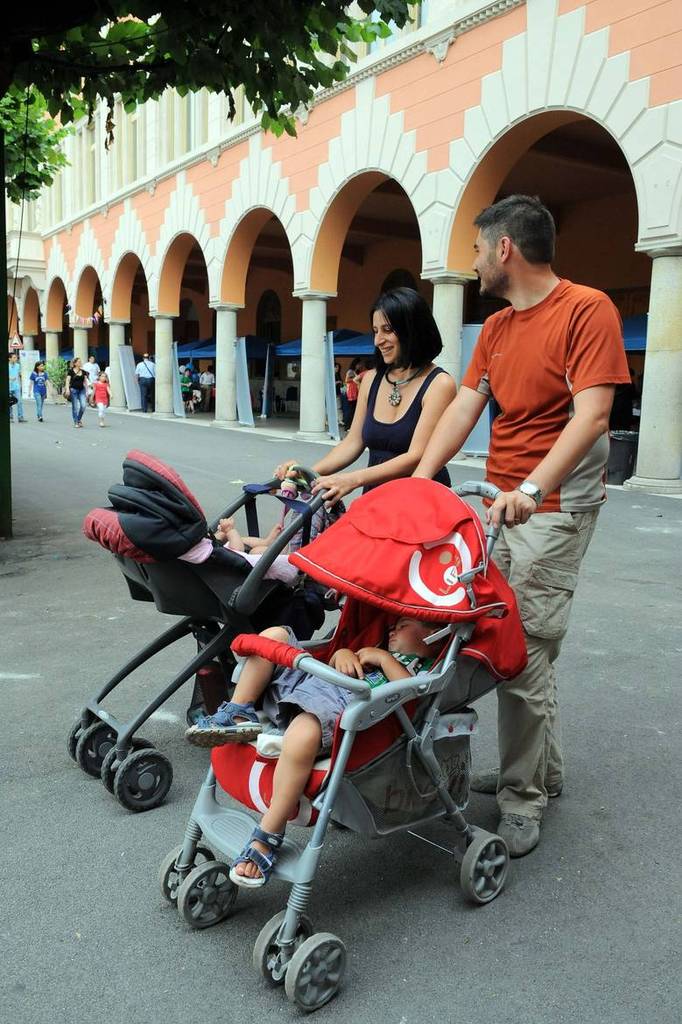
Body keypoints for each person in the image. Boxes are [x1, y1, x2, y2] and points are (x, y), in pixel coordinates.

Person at [414, 194, 630, 857]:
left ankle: (522, 797)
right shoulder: (500, 328)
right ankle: (542, 770)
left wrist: (535, 487)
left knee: (526, 643)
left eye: (478, 250)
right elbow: (463, 410)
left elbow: (592, 415)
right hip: (501, 504)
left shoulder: (587, 309)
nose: (473, 263)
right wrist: (418, 482)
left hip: (553, 507)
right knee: (506, 642)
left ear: (505, 248)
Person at [185, 616, 443, 886]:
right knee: (275, 635)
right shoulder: (373, 649)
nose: (392, 628)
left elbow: (414, 698)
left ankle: (269, 832)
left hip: (339, 708)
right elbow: (337, 659)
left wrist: (383, 658)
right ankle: (239, 713)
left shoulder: (421, 672)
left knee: (303, 732)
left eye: (402, 626)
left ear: (431, 636)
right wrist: (344, 653)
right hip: (311, 684)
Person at [276, 287, 456, 505]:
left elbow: (416, 456)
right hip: (376, 498)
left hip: (420, 500)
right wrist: (306, 474)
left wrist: (352, 479)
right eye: (375, 331)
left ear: (413, 329)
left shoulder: (440, 384)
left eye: (387, 330)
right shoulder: (371, 379)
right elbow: (353, 442)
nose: (378, 341)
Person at [64, 356, 89, 427]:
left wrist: (87, 391)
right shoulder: (70, 371)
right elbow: (67, 380)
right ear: (75, 363)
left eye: (80, 362)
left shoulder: (83, 372)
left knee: (83, 406)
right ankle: (76, 422)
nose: (80, 363)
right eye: (79, 362)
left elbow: (85, 382)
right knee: (75, 407)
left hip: (82, 390)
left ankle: (78, 419)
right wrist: (67, 389)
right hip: (73, 390)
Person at [8, 353, 26, 423]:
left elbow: (19, 375)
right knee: (9, 403)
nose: (16, 359)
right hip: (9, 387)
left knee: (19, 402)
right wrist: (9, 378)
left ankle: (20, 417)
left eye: (16, 357)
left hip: (16, 386)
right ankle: (10, 417)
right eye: (14, 357)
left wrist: (21, 384)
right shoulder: (6, 366)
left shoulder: (18, 366)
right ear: (9, 358)